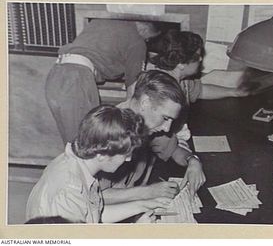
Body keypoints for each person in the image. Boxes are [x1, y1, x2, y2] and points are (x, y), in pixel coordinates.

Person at [26, 105, 170, 224]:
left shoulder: (78, 164)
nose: (128, 160)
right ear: (101, 154)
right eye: (125, 155)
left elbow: (94, 216)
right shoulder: (69, 192)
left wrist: (144, 204)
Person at [45, 19, 160, 145]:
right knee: (86, 143)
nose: (146, 42)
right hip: (78, 79)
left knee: (72, 144)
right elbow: (133, 93)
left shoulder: (99, 22)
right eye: (148, 39)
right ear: (144, 29)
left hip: (56, 74)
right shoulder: (137, 41)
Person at [101, 70, 206, 205]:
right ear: (145, 102)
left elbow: (173, 150)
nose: (167, 128)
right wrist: (147, 192)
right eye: (165, 118)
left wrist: (193, 161)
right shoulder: (109, 133)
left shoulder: (147, 125)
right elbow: (95, 197)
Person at [146, 29, 250, 104]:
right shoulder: (162, 89)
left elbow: (200, 91)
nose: (200, 59)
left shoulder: (182, 81)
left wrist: (234, 92)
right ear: (181, 64)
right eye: (196, 57)